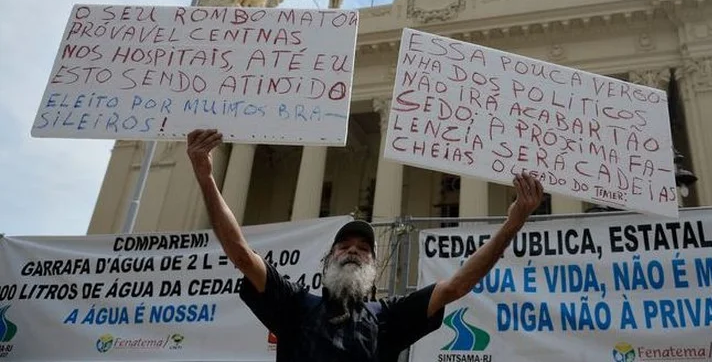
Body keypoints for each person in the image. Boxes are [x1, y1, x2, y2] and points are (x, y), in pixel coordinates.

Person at [186, 129, 545, 362]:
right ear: (327, 260)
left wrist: (512, 223)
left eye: (364, 247)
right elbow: (240, 254)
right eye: (344, 245)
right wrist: (205, 177)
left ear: (375, 267)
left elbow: (457, 285)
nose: (354, 250)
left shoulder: (388, 318)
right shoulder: (294, 306)